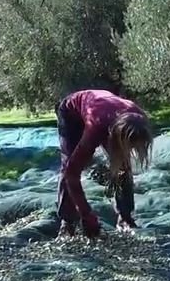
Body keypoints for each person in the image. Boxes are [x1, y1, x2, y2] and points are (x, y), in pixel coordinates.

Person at [54, 89, 153, 238]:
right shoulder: (96, 127)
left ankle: (125, 217)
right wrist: (86, 214)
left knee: (122, 166)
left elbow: (123, 161)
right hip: (71, 114)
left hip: (106, 109)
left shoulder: (141, 121)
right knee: (70, 164)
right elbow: (71, 173)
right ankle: (67, 222)